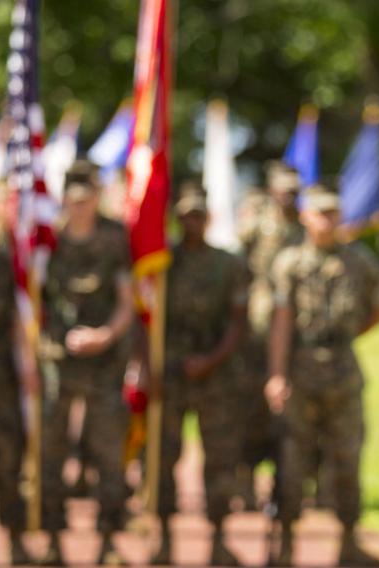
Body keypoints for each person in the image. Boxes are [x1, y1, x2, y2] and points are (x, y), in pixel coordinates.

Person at [266, 185, 379, 566]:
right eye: (320, 214)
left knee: (347, 459)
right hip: (301, 371)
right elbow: (282, 321)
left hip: (343, 372)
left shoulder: (359, 261)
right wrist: (277, 374)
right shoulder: (289, 262)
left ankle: (348, 542)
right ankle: (285, 543)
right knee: (292, 460)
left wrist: (349, 334)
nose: (327, 221)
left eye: (333, 214)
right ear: (305, 217)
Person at [40, 161, 134, 565]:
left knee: (107, 455)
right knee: (50, 454)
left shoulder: (115, 239)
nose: (80, 207)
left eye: (87, 198)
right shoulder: (46, 239)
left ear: (97, 197)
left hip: (104, 365)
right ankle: (53, 543)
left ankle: (109, 543)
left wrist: (105, 336)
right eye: (73, 200)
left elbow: (127, 302)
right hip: (56, 366)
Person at [152, 184, 248, 566]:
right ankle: (163, 537)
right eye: (185, 216)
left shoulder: (229, 264)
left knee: (220, 460)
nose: (191, 223)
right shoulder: (161, 264)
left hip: (216, 375)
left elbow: (237, 323)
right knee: (162, 457)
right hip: (171, 373)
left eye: (198, 216)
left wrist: (211, 360)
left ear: (208, 219)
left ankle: (219, 539)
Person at [235, 163, 305, 510]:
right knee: (250, 410)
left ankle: (287, 488)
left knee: (290, 418)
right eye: (284, 190)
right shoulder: (256, 222)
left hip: (293, 334)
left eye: (294, 191)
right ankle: (245, 482)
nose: (289, 197)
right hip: (256, 330)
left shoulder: (305, 228)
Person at [0, 185, 38, 565]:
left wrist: (26, 365)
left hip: (2, 379)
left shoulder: (6, 259)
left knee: (8, 461)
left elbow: (15, 317)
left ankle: (15, 538)